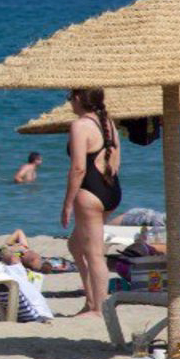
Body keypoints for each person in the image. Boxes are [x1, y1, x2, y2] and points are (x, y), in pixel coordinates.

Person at [61, 88, 121, 317]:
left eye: (70, 99)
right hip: (111, 189)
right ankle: (90, 300)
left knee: (94, 254)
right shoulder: (109, 124)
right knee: (75, 245)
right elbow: (115, 162)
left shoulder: (80, 126)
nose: (70, 104)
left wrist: (68, 203)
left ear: (78, 99)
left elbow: (78, 168)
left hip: (90, 192)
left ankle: (98, 308)